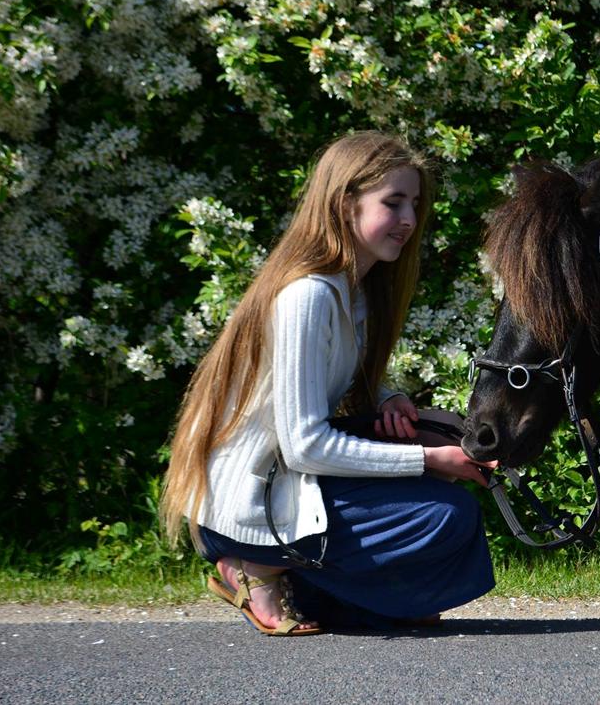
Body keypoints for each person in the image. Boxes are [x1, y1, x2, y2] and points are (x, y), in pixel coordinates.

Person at [160, 131, 496, 635]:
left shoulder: (354, 291)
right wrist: (427, 459)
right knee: (445, 514)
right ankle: (255, 565)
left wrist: (390, 397)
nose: (408, 220)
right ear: (343, 203)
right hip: (253, 504)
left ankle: (318, 591)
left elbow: (331, 373)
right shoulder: (307, 295)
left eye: (415, 204)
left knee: (445, 450)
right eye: (393, 202)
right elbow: (303, 446)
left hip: (290, 480)